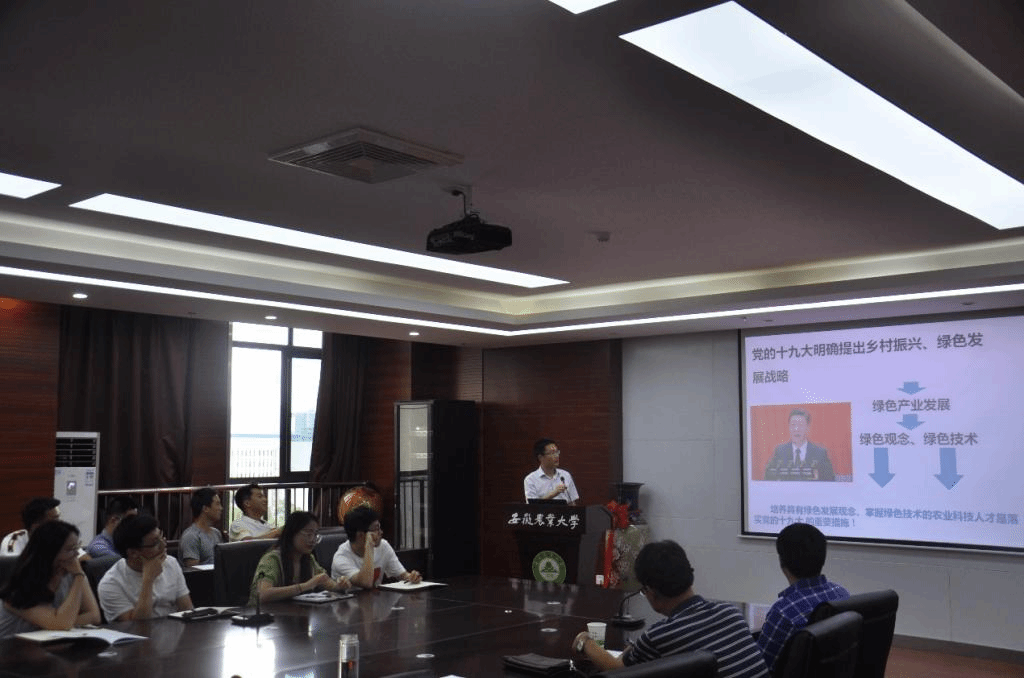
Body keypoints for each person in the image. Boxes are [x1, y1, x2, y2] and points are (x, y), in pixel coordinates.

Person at [573, 540, 767, 677]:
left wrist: (585, 641)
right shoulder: (732, 613)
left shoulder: (660, 636)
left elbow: (616, 671)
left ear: (651, 591)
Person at [757, 523, 850, 674]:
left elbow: (761, 668)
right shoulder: (842, 594)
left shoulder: (783, 613)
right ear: (823, 558)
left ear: (782, 563)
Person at [0, 521, 101, 638]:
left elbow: (94, 616)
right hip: (11, 646)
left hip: (47, 644)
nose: (76, 554)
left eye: (76, 547)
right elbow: (62, 624)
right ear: (49, 552)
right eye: (70, 549)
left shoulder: (73, 574)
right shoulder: (18, 587)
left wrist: (57, 623)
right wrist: (59, 623)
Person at [97, 514, 193, 621]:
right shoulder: (110, 584)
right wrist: (148, 580)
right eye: (155, 542)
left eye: (161, 537)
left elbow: (187, 611)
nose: (163, 545)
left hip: (174, 629)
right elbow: (136, 626)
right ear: (133, 553)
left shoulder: (170, 563)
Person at [249, 511, 350, 605]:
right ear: (292, 533)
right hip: (262, 615)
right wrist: (306, 586)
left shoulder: (308, 559)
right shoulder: (272, 559)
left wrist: (340, 585)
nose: (312, 540)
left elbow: (325, 581)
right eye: (308, 534)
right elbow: (263, 595)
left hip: (292, 613)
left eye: (315, 535)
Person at [331, 506, 421, 589]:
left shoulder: (383, 546)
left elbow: (402, 575)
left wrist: (412, 577)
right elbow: (366, 583)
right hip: (350, 601)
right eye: (377, 529)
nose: (381, 532)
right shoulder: (341, 558)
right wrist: (369, 545)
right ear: (361, 535)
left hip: (375, 599)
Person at [765, 408, 835, 481]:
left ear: (808, 428)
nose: (796, 429)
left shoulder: (820, 453)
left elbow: (830, 481)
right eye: (793, 425)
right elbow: (768, 477)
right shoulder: (780, 451)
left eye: (801, 425)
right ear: (789, 427)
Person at [523, 438, 579, 505]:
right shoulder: (530, 479)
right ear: (540, 457)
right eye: (552, 453)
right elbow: (532, 506)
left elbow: (572, 503)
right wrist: (553, 494)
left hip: (563, 511)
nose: (556, 456)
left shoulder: (565, 475)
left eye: (557, 452)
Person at [179, 488, 223, 566]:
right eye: (217, 504)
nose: (221, 508)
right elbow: (193, 570)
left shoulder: (216, 533)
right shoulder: (191, 536)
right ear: (205, 508)